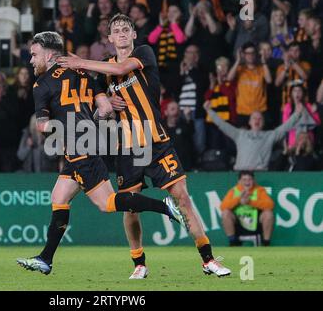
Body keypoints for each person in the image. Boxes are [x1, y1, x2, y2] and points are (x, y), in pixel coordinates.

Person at [58, 14, 231, 279]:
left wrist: (79, 62)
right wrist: (104, 103)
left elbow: (118, 70)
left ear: (134, 34)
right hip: (127, 147)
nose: (122, 32)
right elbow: (96, 101)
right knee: (129, 207)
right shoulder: (104, 68)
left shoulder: (144, 53)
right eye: (117, 30)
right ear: (110, 39)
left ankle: (208, 259)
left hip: (156, 140)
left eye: (126, 28)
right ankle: (139, 262)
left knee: (182, 197)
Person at [16, 31, 184, 276]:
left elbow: (42, 126)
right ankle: (46, 259)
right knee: (59, 197)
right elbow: (104, 109)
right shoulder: (83, 73)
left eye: (34, 55)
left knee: (107, 203)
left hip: (78, 148)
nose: (31, 60)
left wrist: (60, 129)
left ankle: (165, 207)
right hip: (90, 142)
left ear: (50, 54)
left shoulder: (41, 84)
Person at [204, 99, 304, 171]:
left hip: (260, 175)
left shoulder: (270, 136)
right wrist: (209, 111)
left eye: (260, 118)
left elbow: (285, 127)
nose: (257, 120)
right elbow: (223, 125)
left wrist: (297, 114)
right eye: (254, 118)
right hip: (240, 174)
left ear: (263, 123)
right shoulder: (240, 134)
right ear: (250, 122)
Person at [220, 171, 274, 246]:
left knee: (268, 214)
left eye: (250, 179)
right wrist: (239, 200)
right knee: (225, 213)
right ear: (239, 181)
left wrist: (250, 202)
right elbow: (223, 206)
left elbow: (270, 205)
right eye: (244, 180)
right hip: (238, 222)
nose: (247, 182)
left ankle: (266, 243)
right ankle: (232, 242)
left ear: (253, 180)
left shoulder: (259, 190)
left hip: (256, 222)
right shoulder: (233, 191)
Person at [227, 41, 272, 128]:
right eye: (247, 53)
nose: (250, 55)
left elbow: (269, 80)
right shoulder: (239, 69)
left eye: (252, 53)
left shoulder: (262, 68)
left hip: (259, 111)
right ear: (243, 54)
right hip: (243, 112)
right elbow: (229, 78)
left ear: (256, 54)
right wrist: (238, 61)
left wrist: (263, 62)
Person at [205, 56, 237, 151]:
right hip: (215, 121)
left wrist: (221, 83)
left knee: (229, 144)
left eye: (224, 66)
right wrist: (212, 85)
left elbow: (230, 96)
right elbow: (207, 98)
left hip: (228, 120)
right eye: (219, 67)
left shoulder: (232, 82)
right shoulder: (214, 83)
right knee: (216, 144)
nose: (222, 69)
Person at [274, 42, 311, 109]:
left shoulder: (305, 64)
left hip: (303, 105)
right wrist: (286, 68)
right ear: (288, 52)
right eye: (291, 50)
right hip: (286, 105)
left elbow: (305, 77)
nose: (294, 53)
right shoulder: (281, 67)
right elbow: (277, 83)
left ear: (300, 52)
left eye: (296, 50)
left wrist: (292, 62)